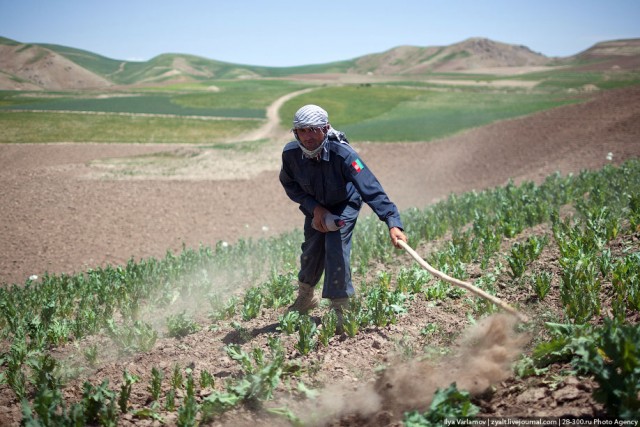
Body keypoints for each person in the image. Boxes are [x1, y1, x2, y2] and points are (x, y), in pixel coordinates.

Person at [279, 104, 408, 332]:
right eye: (302, 130)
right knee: (311, 249)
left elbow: (371, 188)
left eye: (313, 129)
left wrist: (392, 222)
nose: (308, 136)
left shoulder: (344, 155)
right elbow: (290, 185)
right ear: (295, 132)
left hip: (344, 203)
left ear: (326, 128)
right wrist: (314, 208)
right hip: (315, 206)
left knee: (335, 244)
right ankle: (305, 296)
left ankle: (341, 308)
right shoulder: (291, 155)